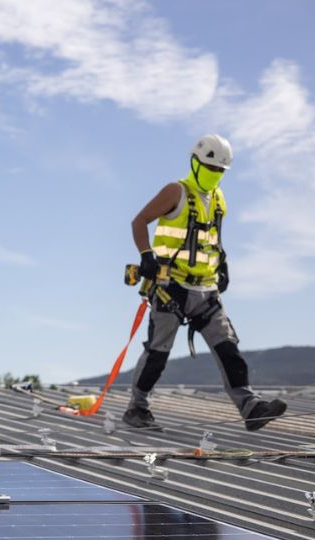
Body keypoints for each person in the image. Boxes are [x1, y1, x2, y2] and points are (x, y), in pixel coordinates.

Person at [123, 134, 287, 431]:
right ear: (196, 163)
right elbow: (139, 221)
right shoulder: (176, 191)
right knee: (158, 352)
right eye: (211, 169)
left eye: (220, 172)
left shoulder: (218, 198)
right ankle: (137, 408)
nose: (215, 175)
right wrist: (146, 255)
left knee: (228, 348)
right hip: (170, 286)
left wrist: (221, 264)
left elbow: (210, 238)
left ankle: (251, 409)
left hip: (206, 289)